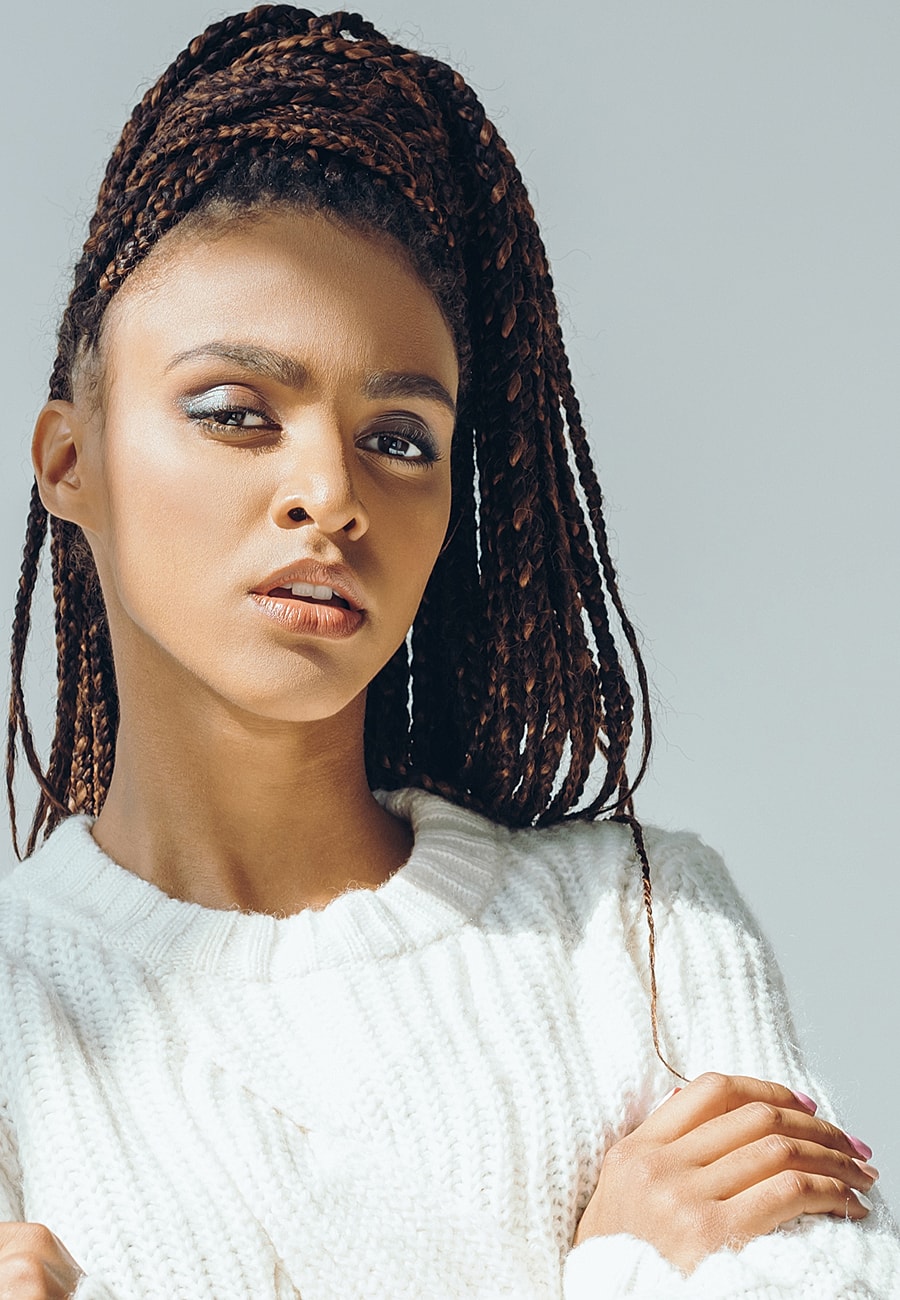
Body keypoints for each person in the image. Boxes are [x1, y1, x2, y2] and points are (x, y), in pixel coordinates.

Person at [3, 6, 897, 1298]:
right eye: (236, 413)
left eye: (402, 437)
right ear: (69, 461)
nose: (331, 490)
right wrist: (623, 1269)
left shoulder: (640, 932)